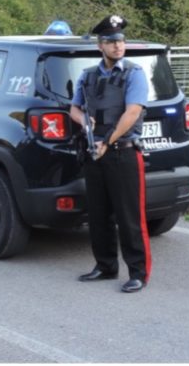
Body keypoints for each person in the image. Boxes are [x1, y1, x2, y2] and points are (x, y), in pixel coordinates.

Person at [69, 15, 151, 293]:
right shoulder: (88, 76)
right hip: (95, 152)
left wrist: (107, 140)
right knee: (99, 214)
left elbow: (133, 112)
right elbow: (75, 108)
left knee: (130, 217)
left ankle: (138, 272)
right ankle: (105, 266)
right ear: (100, 46)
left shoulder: (134, 74)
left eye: (121, 41)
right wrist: (84, 122)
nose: (118, 46)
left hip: (122, 152)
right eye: (112, 41)